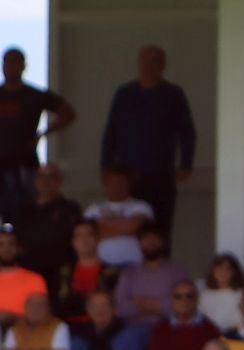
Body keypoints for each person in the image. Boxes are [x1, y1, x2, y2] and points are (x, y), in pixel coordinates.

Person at [99, 46, 196, 236]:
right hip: (128, 176)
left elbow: (187, 131)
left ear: (163, 66)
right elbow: (111, 132)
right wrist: (106, 167)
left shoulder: (173, 94)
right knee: (128, 224)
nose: (147, 66)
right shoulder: (125, 94)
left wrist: (186, 163)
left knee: (160, 226)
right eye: (143, 61)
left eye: (153, 61)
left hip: (161, 174)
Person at [0, 48, 74, 222]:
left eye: (14, 62)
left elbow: (68, 113)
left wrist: (43, 133)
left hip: (26, 165)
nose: (10, 67)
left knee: (27, 214)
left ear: (23, 66)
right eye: (7, 63)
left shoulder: (35, 95)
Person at [146, 284, 222, 350]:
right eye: (178, 296)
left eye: (189, 296)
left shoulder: (210, 330)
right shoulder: (160, 330)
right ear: (172, 300)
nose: (184, 300)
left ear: (196, 299)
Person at [116, 222, 191, 331]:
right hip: (135, 329)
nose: (150, 242)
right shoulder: (129, 272)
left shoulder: (177, 271)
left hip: (170, 328)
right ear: (139, 242)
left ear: (163, 242)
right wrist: (160, 305)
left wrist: (140, 303)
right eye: (146, 238)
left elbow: (183, 305)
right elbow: (122, 308)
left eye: (155, 237)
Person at [17, 164, 83, 285]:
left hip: (60, 274)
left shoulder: (70, 209)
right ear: (36, 181)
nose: (45, 181)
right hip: (29, 272)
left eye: (51, 177)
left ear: (59, 181)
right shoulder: (23, 210)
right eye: (42, 177)